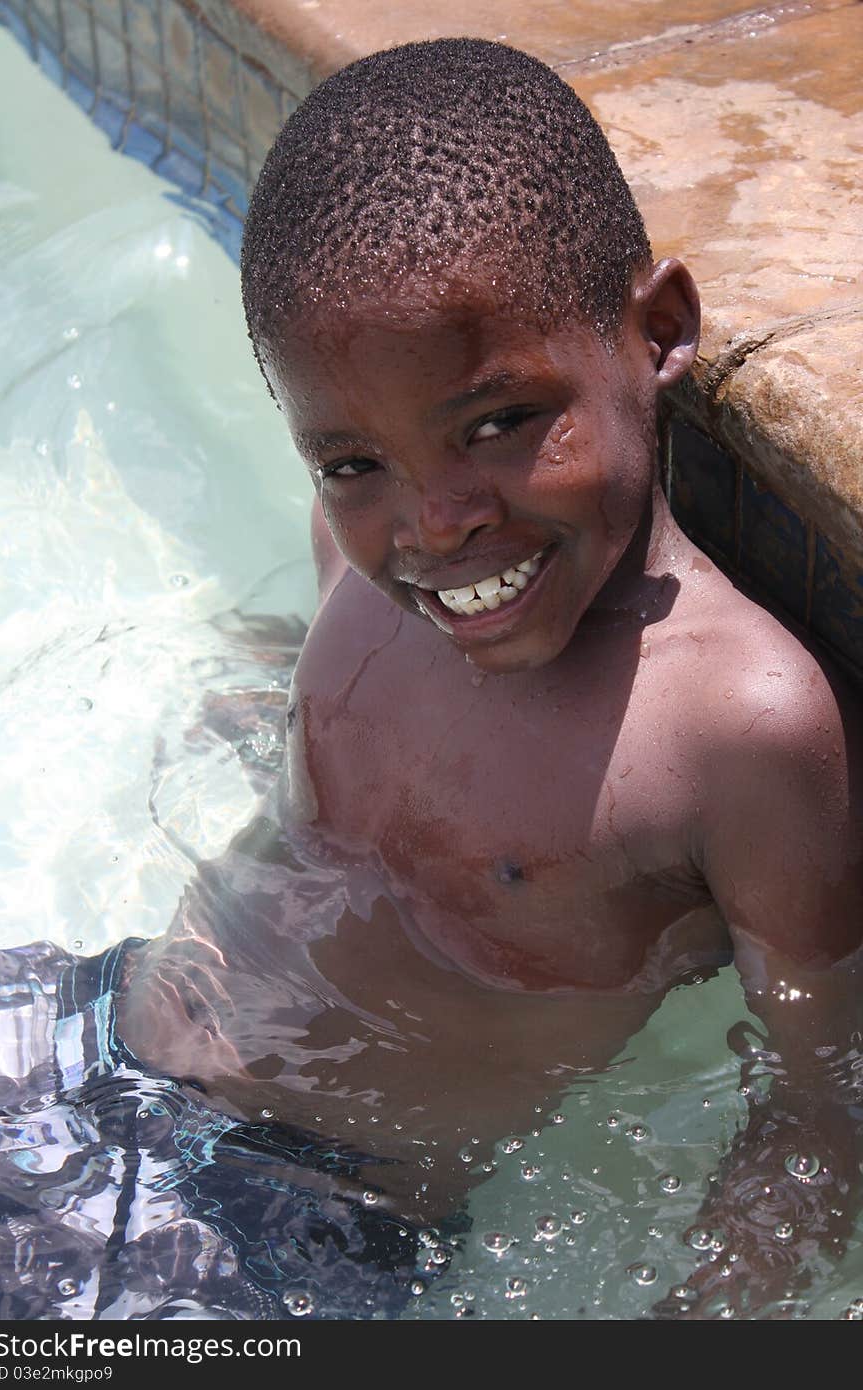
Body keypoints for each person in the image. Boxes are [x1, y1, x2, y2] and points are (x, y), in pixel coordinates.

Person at [115, 39, 863, 1316]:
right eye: (353, 462)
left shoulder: (734, 732)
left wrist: (707, 1309)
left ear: (658, 334)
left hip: (294, 1221)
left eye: (499, 423)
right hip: (94, 1030)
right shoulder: (368, 568)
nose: (436, 520)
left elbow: (823, 1098)